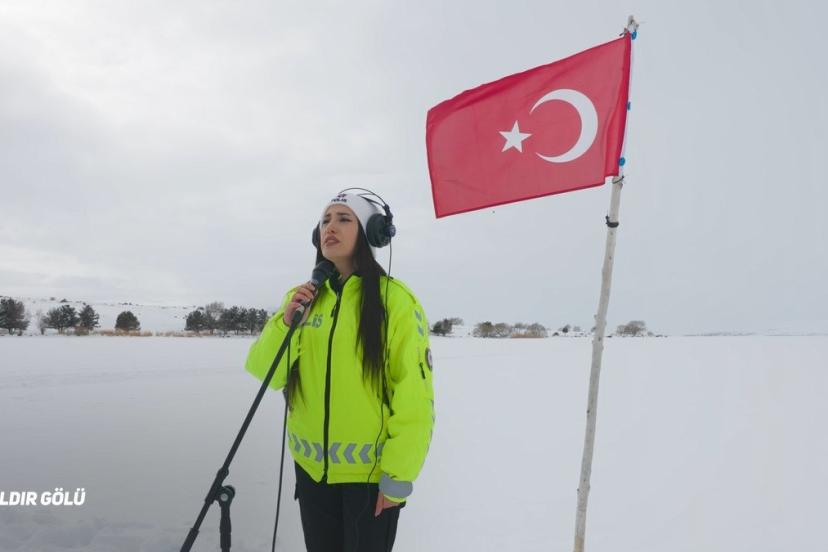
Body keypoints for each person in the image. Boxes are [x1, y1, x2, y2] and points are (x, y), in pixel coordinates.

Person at [245, 190, 435, 552]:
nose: (330, 227)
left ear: (371, 233)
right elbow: (265, 372)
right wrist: (286, 324)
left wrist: (397, 478)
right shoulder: (302, 297)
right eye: (325, 220)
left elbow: (414, 397)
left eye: (344, 219)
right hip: (313, 475)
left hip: (370, 481)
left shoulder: (395, 301)